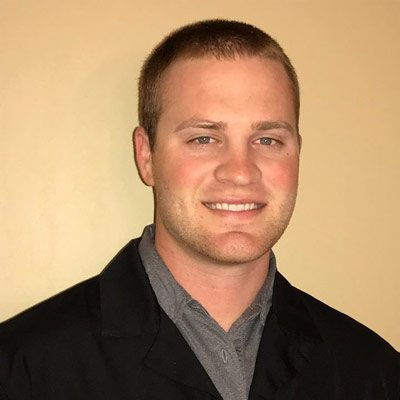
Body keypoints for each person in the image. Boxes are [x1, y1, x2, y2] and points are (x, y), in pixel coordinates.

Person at [0, 19, 398, 400]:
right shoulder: (22, 370)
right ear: (146, 156)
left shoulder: (374, 373)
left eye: (268, 140)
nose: (240, 172)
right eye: (204, 138)